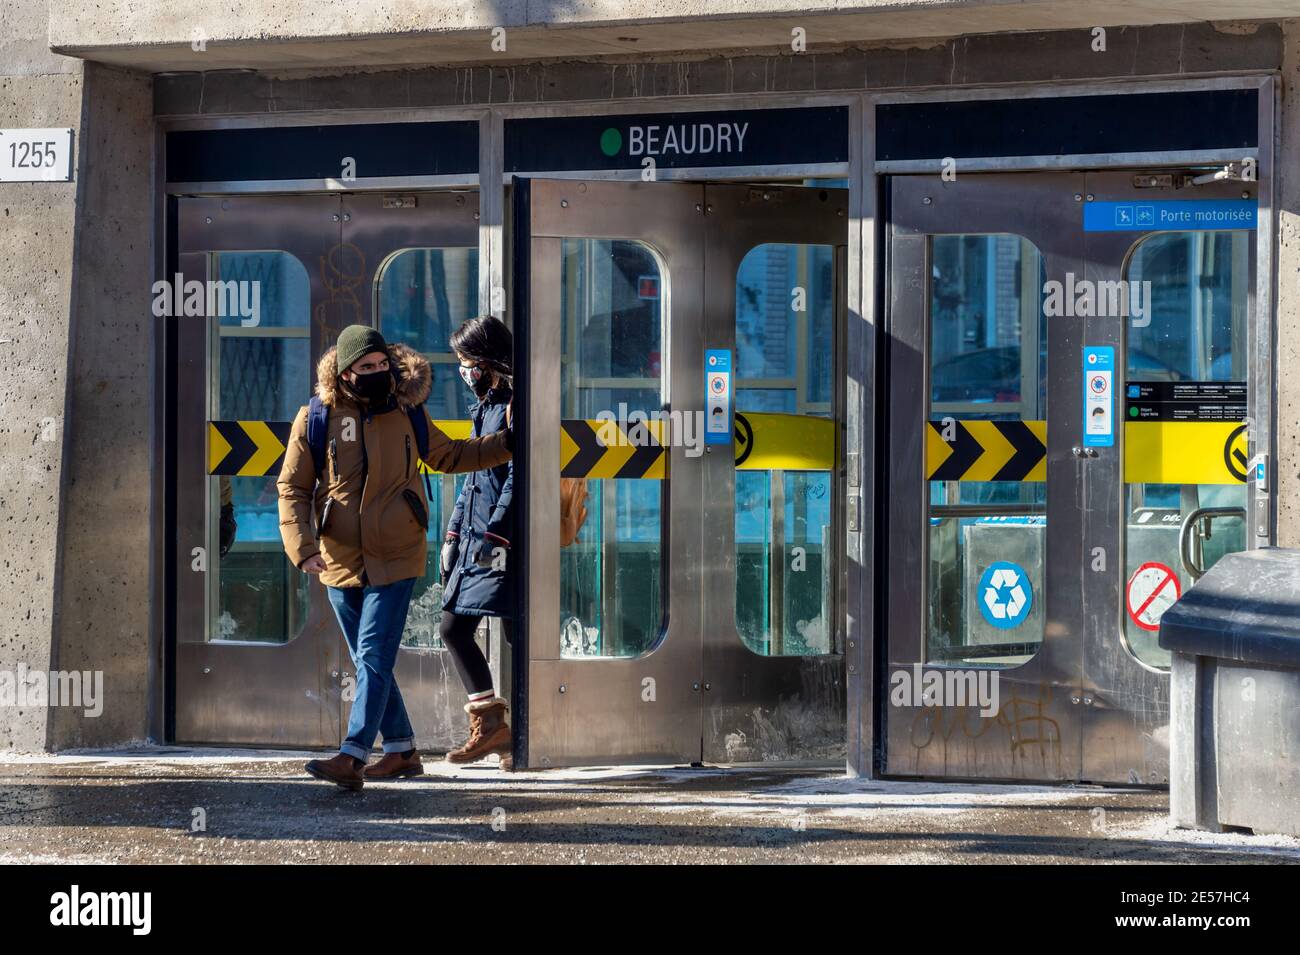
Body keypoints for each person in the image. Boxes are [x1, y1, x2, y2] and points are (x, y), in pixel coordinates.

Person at [277, 324, 512, 791]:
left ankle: (353, 754)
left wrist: (507, 441)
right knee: (371, 660)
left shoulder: (406, 408)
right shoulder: (317, 417)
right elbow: (294, 487)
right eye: (366, 368)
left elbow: (447, 456)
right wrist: (302, 549)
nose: (378, 373)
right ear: (345, 373)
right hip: (337, 558)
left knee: (373, 654)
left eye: (383, 364)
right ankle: (402, 749)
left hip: (398, 552)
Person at [437, 316, 519, 766]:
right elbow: (475, 480)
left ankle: (513, 731)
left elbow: (514, 479)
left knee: (513, 630)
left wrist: (497, 534)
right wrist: (453, 532)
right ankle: (496, 726)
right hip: (477, 537)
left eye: (466, 362)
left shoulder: (511, 405)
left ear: (488, 363)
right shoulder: (485, 406)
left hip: (500, 541)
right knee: (455, 626)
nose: (463, 371)